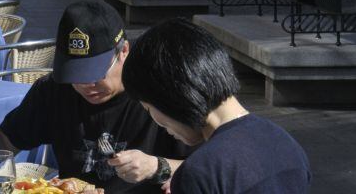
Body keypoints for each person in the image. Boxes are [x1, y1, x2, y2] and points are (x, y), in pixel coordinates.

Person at [0, 0, 191, 192]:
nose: (86, 84)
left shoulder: (160, 92)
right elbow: (7, 139)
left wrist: (158, 167)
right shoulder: (54, 91)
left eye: (95, 73)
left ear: (124, 51)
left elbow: (213, 166)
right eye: (76, 74)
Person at [123, 19, 311, 194]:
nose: (157, 122)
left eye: (148, 109)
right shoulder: (286, 144)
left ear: (168, 95)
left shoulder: (201, 172)